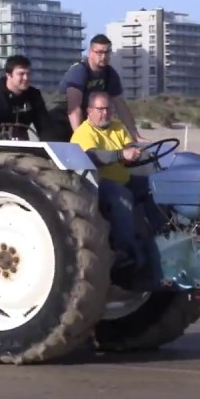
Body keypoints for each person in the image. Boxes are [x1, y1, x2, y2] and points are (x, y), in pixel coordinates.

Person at [69, 90, 150, 272]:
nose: (105, 113)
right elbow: (95, 156)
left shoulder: (118, 127)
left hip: (124, 178)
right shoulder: (84, 133)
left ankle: (161, 234)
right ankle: (125, 250)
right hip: (98, 185)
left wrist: (133, 153)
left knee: (154, 188)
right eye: (100, 109)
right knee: (122, 196)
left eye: (108, 109)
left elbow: (129, 146)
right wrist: (121, 154)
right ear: (89, 111)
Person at [54, 33, 141, 142]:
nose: (103, 57)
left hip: (86, 118)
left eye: (106, 52)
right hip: (61, 118)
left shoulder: (110, 74)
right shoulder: (79, 71)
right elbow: (74, 108)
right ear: (90, 52)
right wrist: (81, 137)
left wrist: (134, 134)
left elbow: (120, 105)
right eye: (99, 52)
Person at [0, 55, 58, 145]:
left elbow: (45, 127)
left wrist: (51, 144)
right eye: (21, 74)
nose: (26, 78)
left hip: (23, 144)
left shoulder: (34, 95)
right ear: (9, 75)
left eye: (28, 74)